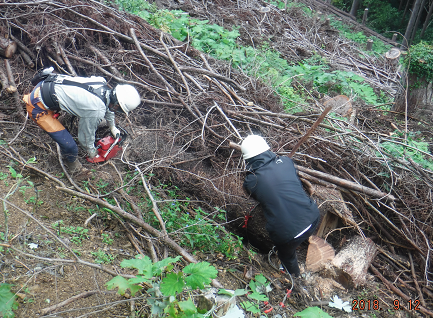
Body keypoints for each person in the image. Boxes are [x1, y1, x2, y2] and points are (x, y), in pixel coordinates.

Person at [23, 68, 141, 173]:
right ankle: (74, 169)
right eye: (118, 109)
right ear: (116, 104)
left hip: (46, 84)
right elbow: (85, 137)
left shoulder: (101, 82)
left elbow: (108, 106)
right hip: (37, 106)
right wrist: (93, 153)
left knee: (91, 117)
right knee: (70, 147)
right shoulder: (96, 110)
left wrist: (112, 127)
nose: (117, 111)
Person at [241, 135, 320, 277]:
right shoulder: (286, 162)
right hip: (313, 217)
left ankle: (296, 279)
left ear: (247, 159)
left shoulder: (251, 181)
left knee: (287, 256)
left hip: (288, 236)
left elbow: (260, 197)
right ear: (267, 148)